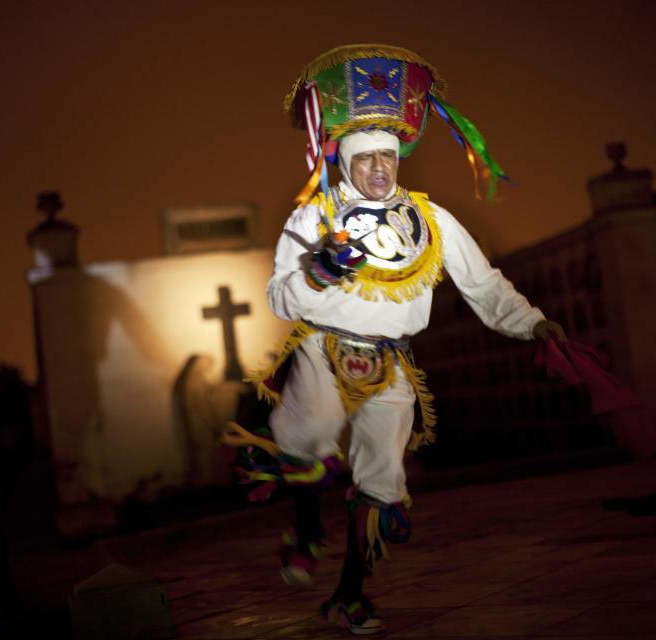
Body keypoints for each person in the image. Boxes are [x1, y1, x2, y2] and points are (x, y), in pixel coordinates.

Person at [226, 44, 565, 635]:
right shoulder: (314, 216)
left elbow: (484, 285)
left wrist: (533, 322)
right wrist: (318, 272)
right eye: (367, 159)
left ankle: (350, 592)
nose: (379, 168)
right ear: (346, 162)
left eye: (388, 156)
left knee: (383, 478)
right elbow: (280, 297)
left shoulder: (431, 221)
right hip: (323, 351)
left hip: (393, 362)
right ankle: (305, 531)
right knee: (308, 433)